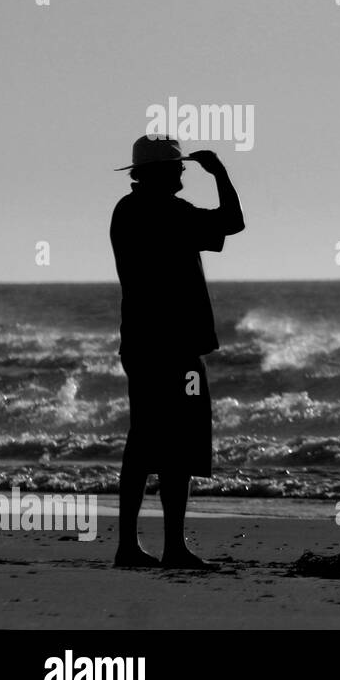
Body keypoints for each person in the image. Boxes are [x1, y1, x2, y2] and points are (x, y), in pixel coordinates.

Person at [109, 135, 245, 568]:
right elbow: (233, 221)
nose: (183, 173)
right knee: (179, 444)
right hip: (178, 348)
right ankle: (173, 546)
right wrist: (220, 172)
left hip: (141, 343)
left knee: (143, 441)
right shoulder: (170, 211)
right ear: (162, 173)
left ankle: (128, 545)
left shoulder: (127, 210)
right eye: (178, 168)